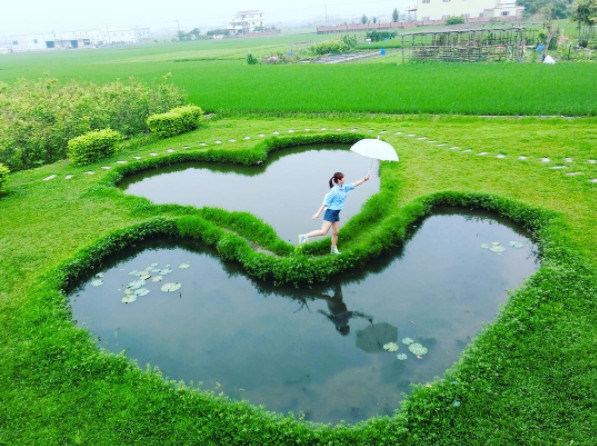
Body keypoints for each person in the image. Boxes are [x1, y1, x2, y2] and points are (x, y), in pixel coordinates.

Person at [298, 171, 371, 255]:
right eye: (343, 177)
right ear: (339, 180)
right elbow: (325, 203)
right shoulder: (334, 191)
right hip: (330, 212)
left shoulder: (343, 187)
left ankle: (333, 249)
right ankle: (304, 236)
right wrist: (317, 213)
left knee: (336, 232)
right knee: (323, 232)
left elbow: (353, 184)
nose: (345, 178)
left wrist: (365, 179)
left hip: (336, 213)